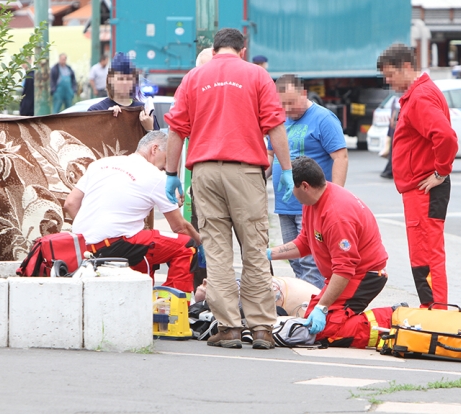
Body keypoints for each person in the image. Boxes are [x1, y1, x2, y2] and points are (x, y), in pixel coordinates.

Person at [164, 28, 294, 350]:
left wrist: (170, 173)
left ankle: (229, 328)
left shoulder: (194, 78)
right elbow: (275, 125)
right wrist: (287, 170)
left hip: (204, 173)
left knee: (218, 252)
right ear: (243, 49)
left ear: (215, 48)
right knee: (254, 248)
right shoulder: (257, 76)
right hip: (247, 172)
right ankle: (262, 328)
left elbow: (176, 130)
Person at [267, 157, 393, 348]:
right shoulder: (312, 202)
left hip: (364, 275)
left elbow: (344, 269)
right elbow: (305, 243)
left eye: (291, 188)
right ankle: (348, 318)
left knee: (326, 331)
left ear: (305, 186)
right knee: (311, 320)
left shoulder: (337, 215)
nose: (291, 193)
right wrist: (269, 254)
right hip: (345, 274)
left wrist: (323, 307)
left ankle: (390, 320)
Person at [64, 131, 201, 293]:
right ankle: (173, 307)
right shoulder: (156, 177)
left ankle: (140, 297)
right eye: (167, 159)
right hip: (116, 243)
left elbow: (70, 203)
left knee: (146, 245)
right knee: (186, 246)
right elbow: (180, 228)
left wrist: (95, 232)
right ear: (154, 149)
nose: (166, 167)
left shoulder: (100, 164)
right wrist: (201, 244)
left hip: (82, 245)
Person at [377, 43, 458, 309]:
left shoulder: (420, 96)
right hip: (420, 188)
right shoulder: (419, 94)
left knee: (426, 253)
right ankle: (432, 308)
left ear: (407, 67)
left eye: (390, 75)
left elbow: (445, 136)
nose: (388, 82)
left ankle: (436, 311)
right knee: (422, 252)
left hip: (424, 189)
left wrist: (441, 171)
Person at [268, 74, 348, 289]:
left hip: (311, 205)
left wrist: (336, 197)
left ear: (304, 94)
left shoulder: (323, 119)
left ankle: (313, 306)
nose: (288, 108)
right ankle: (306, 303)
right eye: (282, 104)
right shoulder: (279, 120)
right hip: (285, 206)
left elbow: (340, 157)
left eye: (292, 102)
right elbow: (270, 156)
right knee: (294, 259)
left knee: (311, 261)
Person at [87, 52, 158, 131]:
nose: (125, 83)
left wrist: (149, 129)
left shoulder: (144, 111)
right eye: (120, 79)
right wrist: (106, 118)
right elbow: (89, 140)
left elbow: (158, 142)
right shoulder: (96, 111)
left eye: (128, 79)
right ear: (110, 79)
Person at [379, 96, 400, 179]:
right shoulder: (397, 98)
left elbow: (395, 114)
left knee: (394, 150)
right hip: (395, 128)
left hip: (396, 128)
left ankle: (390, 171)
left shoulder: (399, 98)